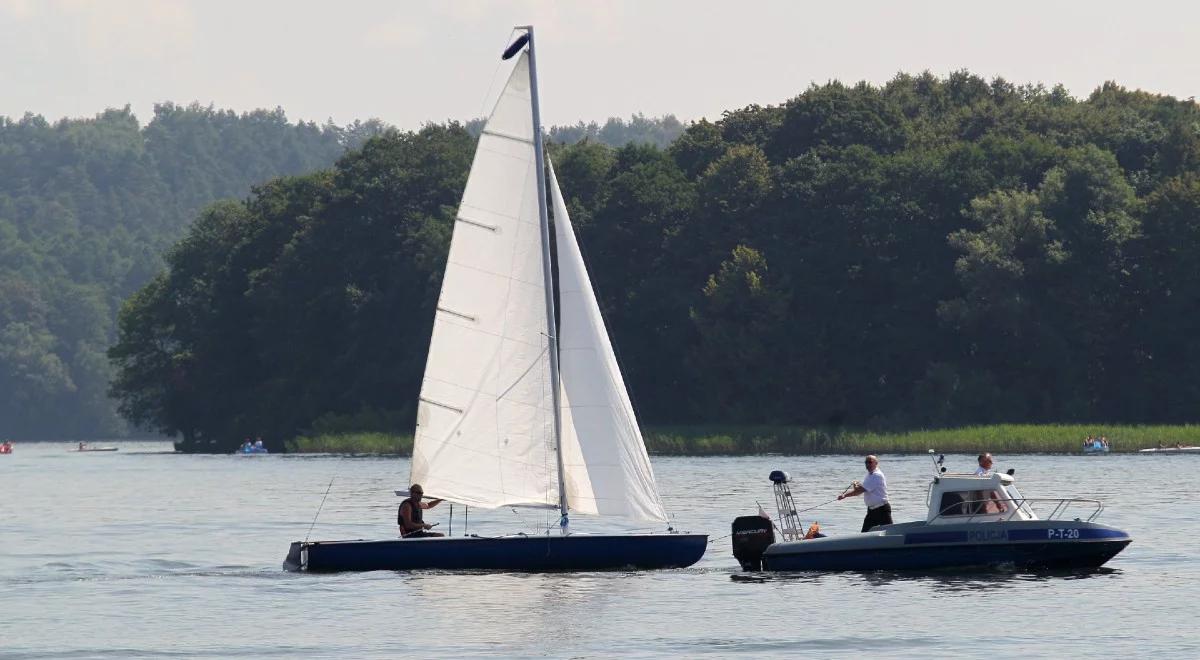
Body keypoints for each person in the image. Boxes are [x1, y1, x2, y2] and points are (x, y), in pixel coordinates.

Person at [838, 455, 892, 532]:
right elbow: (859, 491)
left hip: (882, 510)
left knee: (889, 533)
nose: (868, 465)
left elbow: (859, 491)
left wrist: (845, 495)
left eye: (870, 462)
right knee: (864, 534)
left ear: (876, 463)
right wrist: (856, 486)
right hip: (871, 511)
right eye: (866, 462)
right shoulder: (869, 475)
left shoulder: (876, 475)